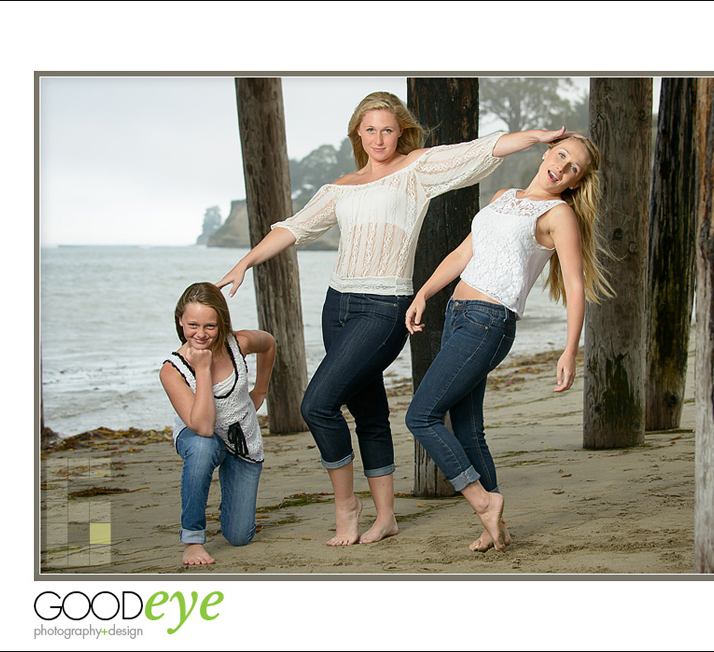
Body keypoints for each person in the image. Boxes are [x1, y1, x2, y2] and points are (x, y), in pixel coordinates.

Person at [216, 90, 569, 546]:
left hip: (384, 308)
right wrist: (246, 262)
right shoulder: (339, 187)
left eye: (387, 129)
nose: (379, 138)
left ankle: (347, 508)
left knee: (316, 405)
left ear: (400, 130)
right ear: (357, 134)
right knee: (369, 413)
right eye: (370, 130)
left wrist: (534, 138)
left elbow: (478, 150)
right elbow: (293, 227)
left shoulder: (417, 170)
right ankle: (386, 518)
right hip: (337, 305)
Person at [404, 132, 613, 552]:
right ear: (547, 152)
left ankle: (483, 500)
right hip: (457, 316)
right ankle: (494, 528)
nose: (562, 167)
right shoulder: (503, 196)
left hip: (489, 323)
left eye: (574, 168)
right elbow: (464, 254)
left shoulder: (559, 215)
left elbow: (575, 286)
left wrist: (570, 350)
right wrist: (424, 293)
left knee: (421, 416)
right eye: (561, 155)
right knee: (468, 429)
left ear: (575, 182)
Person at [160, 282, 276, 565]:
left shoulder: (239, 343)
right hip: (201, 437)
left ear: (221, 322)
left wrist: (260, 391)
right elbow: (203, 426)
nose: (200, 334)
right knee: (202, 447)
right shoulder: (171, 370)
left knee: (239, 536)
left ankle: (231, 503)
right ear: (180, 321)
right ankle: (192, 539)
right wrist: (202, 369)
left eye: (210, 326)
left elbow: (269, 343)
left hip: (241, 441)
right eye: (192, 325)